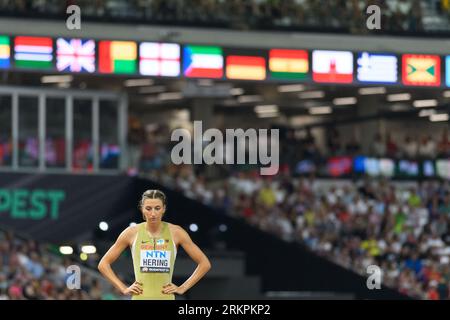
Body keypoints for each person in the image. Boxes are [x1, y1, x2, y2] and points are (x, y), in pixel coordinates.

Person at [98, 189, 211, 300]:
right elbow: (103, 264)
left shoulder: (176, 232)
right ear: (142, 209)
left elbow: (205, 263)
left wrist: (183, 287)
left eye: (157, 208)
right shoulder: (131, 233)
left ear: (164, 209)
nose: (153, 213)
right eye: (148, 208)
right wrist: (123, 288)